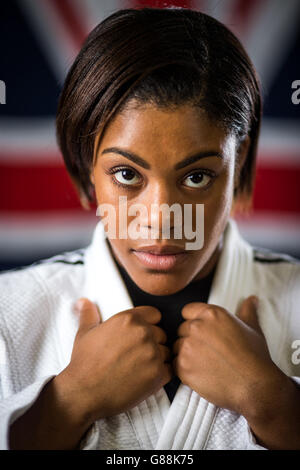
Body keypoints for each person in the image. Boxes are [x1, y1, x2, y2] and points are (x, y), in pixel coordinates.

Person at [0, 7, 299, 451]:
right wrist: (65, 406)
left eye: (196, 176)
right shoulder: (9, 313)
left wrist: (275, 405)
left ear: (238, 165)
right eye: (126, 175)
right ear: (85, 171)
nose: (161, 217)